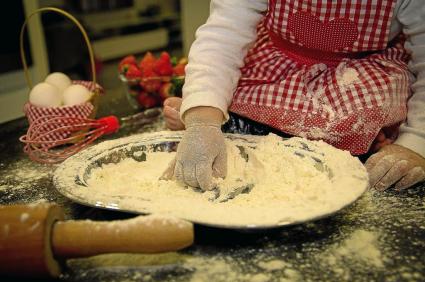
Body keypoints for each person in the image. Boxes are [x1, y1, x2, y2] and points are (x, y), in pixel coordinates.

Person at [162, 0, 425, 192]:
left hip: (360, 77)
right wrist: (202, 117)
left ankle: (366, 142)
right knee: (220, 97)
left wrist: (415, 142)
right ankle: (227, 119)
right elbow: (222, 37)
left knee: (358, 123)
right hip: (278, 68)